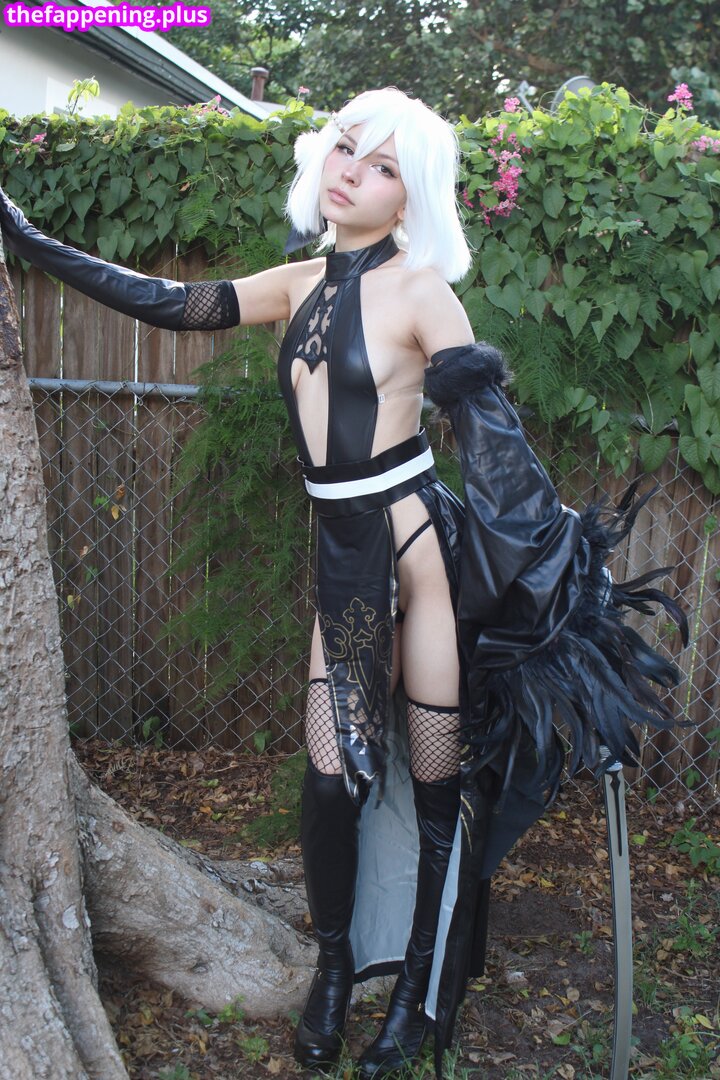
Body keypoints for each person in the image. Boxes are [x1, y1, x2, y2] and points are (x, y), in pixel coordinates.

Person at [0, 87, 686, 1079]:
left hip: (417, 553)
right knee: (331, 783)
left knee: (439, 788)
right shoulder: (299, 282)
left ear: (411, 198)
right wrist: (27, 238)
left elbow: (492, 439)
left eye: (383, 166)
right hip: (342, 556)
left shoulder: (422, 290)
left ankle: (416, 994)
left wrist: (557, 567)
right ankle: (332, 969)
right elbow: (172, 303)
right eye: (345, 149)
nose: (352, 171)